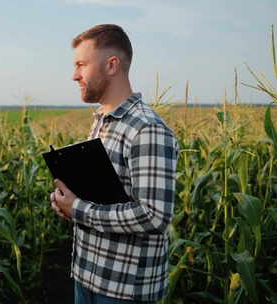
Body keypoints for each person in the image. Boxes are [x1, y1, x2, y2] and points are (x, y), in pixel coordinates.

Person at [50, 24, 179, 304]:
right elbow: (104, 196)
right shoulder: (102, 121)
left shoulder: (146, 128)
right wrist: (68, 204)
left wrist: (79, 209)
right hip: (88, 274)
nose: (74, 75)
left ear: (112, 65)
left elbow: (154, 216)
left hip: (124, 290)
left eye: (82, 64)